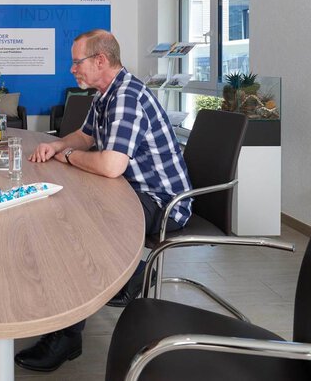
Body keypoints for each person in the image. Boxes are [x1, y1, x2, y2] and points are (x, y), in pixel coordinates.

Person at [14, 29, 192, 373]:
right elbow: (84, 136)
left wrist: (65, 157)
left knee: (76, 229)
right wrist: (58, 145)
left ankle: (67, 336)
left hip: (163, 201)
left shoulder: (127, 96)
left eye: (76, 62)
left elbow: (111, 165)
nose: (72, 69)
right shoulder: (104, 94)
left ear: (100, 60)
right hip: (131, 189)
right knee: (66, 212)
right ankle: (131, 274)